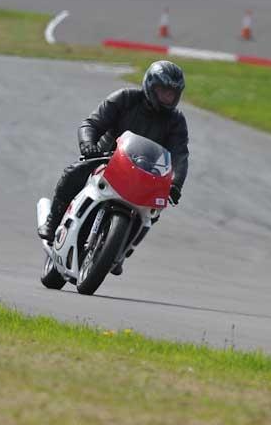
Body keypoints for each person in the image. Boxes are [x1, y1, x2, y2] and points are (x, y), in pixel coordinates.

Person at [37, 60, 190, 273]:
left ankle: (120, 251)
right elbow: (91, 123)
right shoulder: (125, 98)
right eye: (163, 91)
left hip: (145, 174)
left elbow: (180, 155)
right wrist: (88, 145)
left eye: (172, 94)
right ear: (150, 86)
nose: (168, 97)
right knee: (73, 173)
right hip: (106, 160)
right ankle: (53, 222)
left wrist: (175, 184)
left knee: (155, 209)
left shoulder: (176, 121)